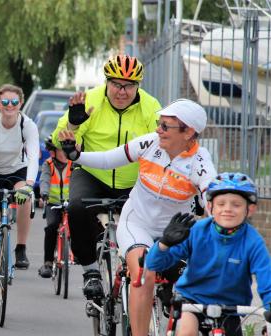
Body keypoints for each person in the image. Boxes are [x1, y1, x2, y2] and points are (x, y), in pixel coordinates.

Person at [59, 99, 217, 335]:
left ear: (188, 132)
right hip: (137, 222)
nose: (158, 130)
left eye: (165, 126)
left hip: (174, 233)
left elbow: (212, 194)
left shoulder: (200, 161)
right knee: (144, 273)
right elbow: (109, 158)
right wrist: (77, 155)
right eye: (158, 123)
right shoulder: (150, 143)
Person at [51, 54, 162, 301]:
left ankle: (154, 273)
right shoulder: (90, 100)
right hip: (92, 173)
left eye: (129, 85)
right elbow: (61, 138)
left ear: (138, 86)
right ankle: (91, 271)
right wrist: (73, 123)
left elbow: (163, 141)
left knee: (158, 212)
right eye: (116, 84)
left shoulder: (151, 106)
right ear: (107, 82)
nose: (122, 91)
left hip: (133, 180)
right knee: (77, 207)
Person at [146, 172, 271, 336]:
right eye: (221, 204)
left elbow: (266, 280)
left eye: (236, 205)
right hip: (192, 301)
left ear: (250, 209)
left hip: (231, 308)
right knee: (186, 331)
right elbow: (154, 264)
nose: (227, 209)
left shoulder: (253, 242)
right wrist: (164, 244)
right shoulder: (197, 231)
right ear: (210, 207)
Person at [0, 83, 40, 302]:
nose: (9, 106)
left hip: (16, 170)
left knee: (25, 196)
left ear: (20, 103)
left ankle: (20, 247)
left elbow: (33, 157)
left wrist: (30, 184)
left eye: (14, 102)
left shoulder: (27, 125)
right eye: (5, 102)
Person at [37, 136, 74, 278]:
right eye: (60, 149)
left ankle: (76, 253)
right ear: (53, 152)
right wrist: (44, 194)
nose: (64, 152)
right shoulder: (48, 164)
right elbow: (44, 180)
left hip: (71, 202)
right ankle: (47, 262)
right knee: (51, 227)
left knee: (77, 224)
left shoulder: (73, 163)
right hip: (53, 203)